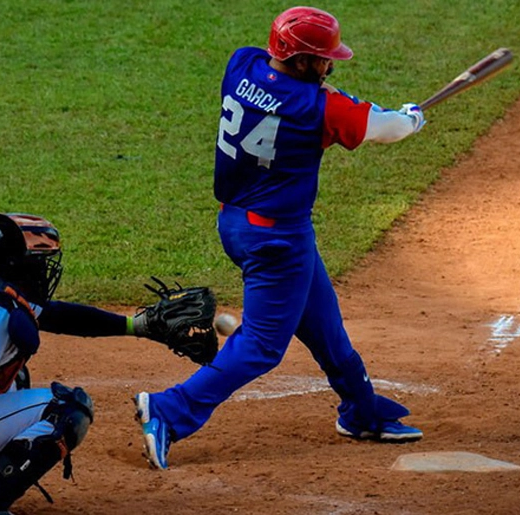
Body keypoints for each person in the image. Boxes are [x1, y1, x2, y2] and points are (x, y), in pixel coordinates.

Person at [134, 6, 427, 470]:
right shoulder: (317, 107)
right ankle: (170, 410)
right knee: (263, 345)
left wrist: (331, 98)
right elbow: (386, 128)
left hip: (237, 222)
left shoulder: (242, 63)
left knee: (324, 324)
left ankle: (361, 410)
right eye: (323, 58)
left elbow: (300, 99)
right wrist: (410, 118)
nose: (330, 65)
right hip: (276, 241)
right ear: (301, 60)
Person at [0, 213, 181, 515]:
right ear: (17, 263)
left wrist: (135, 325)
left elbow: (58, 315)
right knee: (68, 410)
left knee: (14, 375)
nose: (44, 270)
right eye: (39, 260)